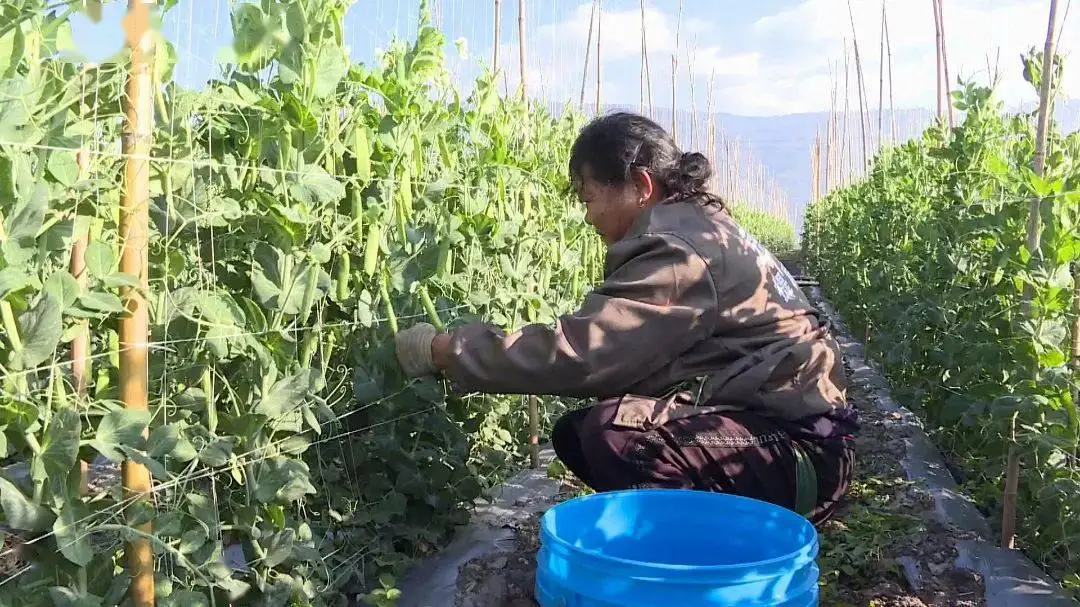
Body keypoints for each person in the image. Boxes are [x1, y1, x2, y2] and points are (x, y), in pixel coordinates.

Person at [393, 112, 857, 525]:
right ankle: (696, 545)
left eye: (589, 196)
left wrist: (446, 350)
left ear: (641, 185)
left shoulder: (679, 251)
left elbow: (584, 354)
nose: (588, 215)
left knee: (615, 436)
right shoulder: (700, 226)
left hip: (801, 456)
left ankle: (696, 571)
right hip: (793, 442)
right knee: (580, 434)